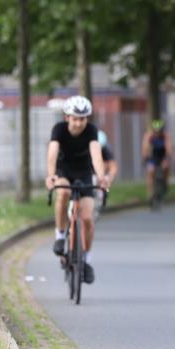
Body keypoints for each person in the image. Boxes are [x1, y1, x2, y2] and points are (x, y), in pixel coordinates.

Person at [46, 96, 109, 284]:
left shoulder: (91, 131)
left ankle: (86, 260)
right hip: (63, 170)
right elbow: (52, 153)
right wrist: (50, 175)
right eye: (75, 118)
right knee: (63, 192)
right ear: (67, 118)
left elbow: (96, 154)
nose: (79, 123)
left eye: (83, 119)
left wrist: (101, 176)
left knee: (88, 218)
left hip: (83, 173)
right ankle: (59, 235)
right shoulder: (58, 130)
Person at [141, 119, 172, 206]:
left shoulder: (165, 136)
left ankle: (165, 184)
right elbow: (145, 148)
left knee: (165, 167)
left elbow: (169, 149)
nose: (157, 133)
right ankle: (150, 194)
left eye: (159, 131)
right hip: (152, 157)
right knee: (151, 171)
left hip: (162, 157)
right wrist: (145, 159)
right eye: (156, 131)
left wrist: (167, 159)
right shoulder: (149, 135)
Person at [93, 129, 118, 218]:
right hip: (89, 171)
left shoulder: (107, 149)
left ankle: (101, 195)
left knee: (104, 165)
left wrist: (110, 177)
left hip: (101, 172)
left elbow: (113, 166)